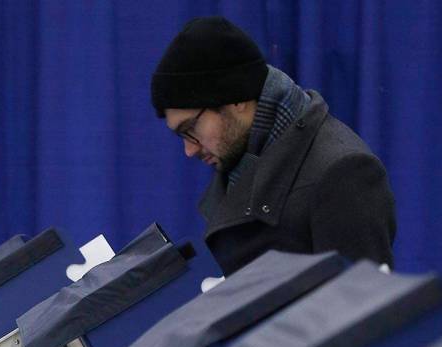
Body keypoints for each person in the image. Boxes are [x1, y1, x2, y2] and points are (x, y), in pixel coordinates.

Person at [151, 16, 396, 275]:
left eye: (191, 129)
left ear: (237, 100)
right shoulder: (242, 161)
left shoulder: (343, 171)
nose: (189, 150)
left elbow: (361, 307)